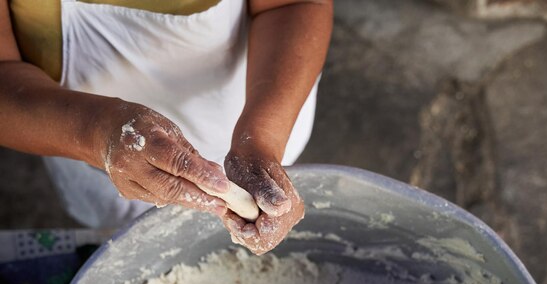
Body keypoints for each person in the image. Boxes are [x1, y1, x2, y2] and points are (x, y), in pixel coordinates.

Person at [0, 0, 333, 254]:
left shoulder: (261, 132)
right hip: (75, 140)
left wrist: (262, 138)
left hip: (253, 113)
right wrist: (97, 134)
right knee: (129, 238)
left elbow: (291, 4)